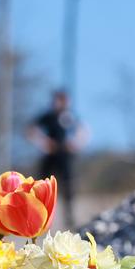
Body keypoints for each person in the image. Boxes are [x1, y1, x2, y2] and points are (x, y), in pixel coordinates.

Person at [26, 89, 89, 228]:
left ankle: (69, 218)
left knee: (68, 186)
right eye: (59, 100)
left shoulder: (71, 117)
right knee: (42, 186)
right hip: (50, 157)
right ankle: (39, 217)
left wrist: (75, 143)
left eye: (63, 100)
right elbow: (31, 130)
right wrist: (44, 143)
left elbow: (83, 131)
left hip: (65, 157)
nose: (61, 103)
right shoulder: (47, 117)